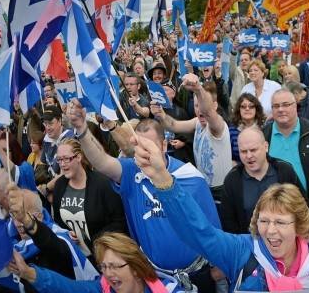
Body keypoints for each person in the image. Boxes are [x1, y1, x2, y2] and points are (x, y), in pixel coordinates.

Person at [127, 132, 309, 292]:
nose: (270, 231)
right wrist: (162, 179)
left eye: (281, 222)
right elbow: (199, 233)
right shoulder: (243, 251)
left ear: (299, 226)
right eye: (264, 221)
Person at [67, 99, 221, 291]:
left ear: (164, 146)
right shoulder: (132, 172)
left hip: (197, 275)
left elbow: (213, 230)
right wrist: (82, 129)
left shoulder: (191, 179)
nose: (143, 152)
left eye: (150, 146)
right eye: (138, 146)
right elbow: (102, 162)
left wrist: (218, 267)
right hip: (154, 278)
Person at [0, 185, 98, 292]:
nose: (18, 224)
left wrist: (28, 222)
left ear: (40, 216)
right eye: (14, 217)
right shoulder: (12, 246)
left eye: (23, 216)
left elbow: (51, 243)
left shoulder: (60, 240)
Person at [9, 232, 182, 292]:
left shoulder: (169, 291)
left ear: (136, 268)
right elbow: (66, 288)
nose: (108, 273)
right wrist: (29, 273)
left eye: (114, 266)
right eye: (104, 267)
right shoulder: (103, 288)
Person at [151, 75, 232, 193]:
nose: (199, 110)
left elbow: (207, 111)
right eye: (196, 106)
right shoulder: (197, 123)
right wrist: (161, 114)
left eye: (201, 105)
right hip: (204, 187)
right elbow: (173, 125)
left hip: (222, 190)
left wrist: (198, 89)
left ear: (214, 105)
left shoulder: (218, 125)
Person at [52, 138, 127, 257]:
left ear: (78, 157)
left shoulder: (103, 183)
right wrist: (66, 234)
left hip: (102, 255)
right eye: (59, 160)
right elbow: (57, 221)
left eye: (66, 159)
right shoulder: (60, 185)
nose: (62, 164)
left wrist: (98, 240)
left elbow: (120, 222)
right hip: (75, 258)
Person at [220, 127, 303, 234]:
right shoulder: (232, 181)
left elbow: (301, 208)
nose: (249, 156)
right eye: (244, 151)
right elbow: (229, 224)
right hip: (249, 246)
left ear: (266, 147)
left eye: (253, 150)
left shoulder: (285, 171)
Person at [263, 89, 309, 228]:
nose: (281, 109)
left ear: (296, 106)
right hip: (275, 213)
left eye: (286, 105)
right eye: (276, 106)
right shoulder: (263, 136)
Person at [228, 93, 265, 164]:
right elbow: (228, 156)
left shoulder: (264, 128)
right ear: (239, 110)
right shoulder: (231, 130)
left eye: (251, 106)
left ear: (256, 109)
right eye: (243, 106)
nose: (247, 109)